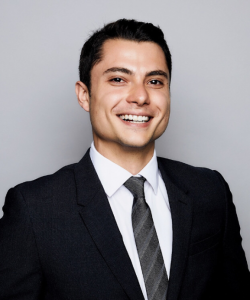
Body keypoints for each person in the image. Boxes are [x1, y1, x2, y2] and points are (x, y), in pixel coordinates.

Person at [0, 19, 249, 300]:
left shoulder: (210, 191)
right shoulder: (34, 209)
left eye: (155, 81)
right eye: (118, 79)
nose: (141, 96)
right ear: (85, 95)